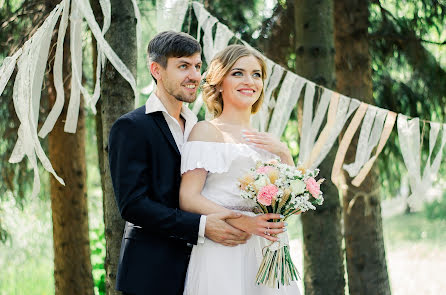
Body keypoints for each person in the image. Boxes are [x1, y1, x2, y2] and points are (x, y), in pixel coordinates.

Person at [108, 32, 282, 295]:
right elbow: (133, 205)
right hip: (153, 271)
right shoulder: (132, 126)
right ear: (156, 70)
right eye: (183, 66)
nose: (193, 75)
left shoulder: (198, 126)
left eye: (197, 66)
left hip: (207, 262)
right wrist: (201, 226)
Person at [180, 44, 301, 294]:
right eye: (238, 73)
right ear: (219, 82)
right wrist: (245, 222)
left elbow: (293, 209)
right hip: (225, 248)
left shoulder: (268, 140)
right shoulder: (206, 131)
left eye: (256, 74)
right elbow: (188, 198)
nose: (250, 81)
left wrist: (285, 154)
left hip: (268, 251)